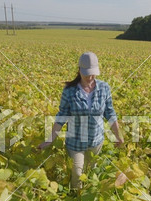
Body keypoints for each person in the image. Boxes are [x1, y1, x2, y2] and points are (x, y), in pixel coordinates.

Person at [37, 52, 124, 190]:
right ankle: (77, 197)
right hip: (75, 141)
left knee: (90, 172)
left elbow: (110, 113)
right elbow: (62, 116)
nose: (90, 77)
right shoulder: (70, 90)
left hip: (96, 141)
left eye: (93, 74)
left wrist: (118, 136)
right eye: (87, 74)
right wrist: (50, 139)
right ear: (79, 70)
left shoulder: (104, 88)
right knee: (77, 173)